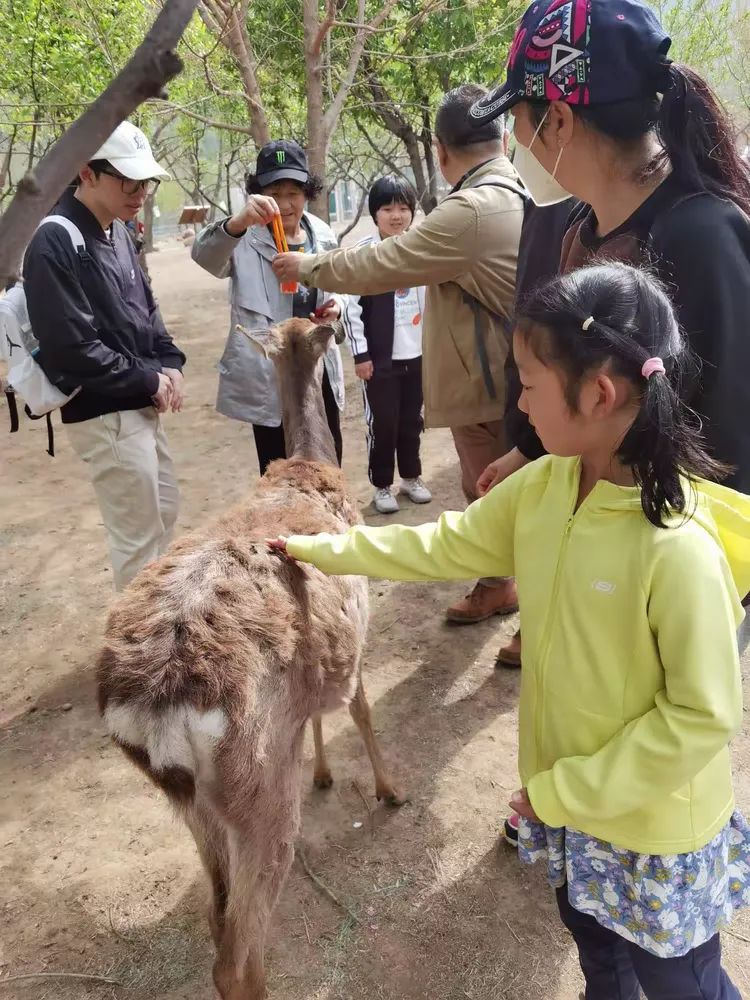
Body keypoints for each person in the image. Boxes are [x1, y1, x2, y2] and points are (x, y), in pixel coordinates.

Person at [272, 262, 750, 1000]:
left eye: (528, 383)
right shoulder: (547, 485)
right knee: (598, 954)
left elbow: (701, 716)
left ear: (599, 394)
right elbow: (443, 545)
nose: (518, 402)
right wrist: (321, 550)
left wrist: (567, 791)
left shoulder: (676, 549)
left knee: (681, 982)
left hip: (652, 831)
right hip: (571, 811)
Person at [471, 0, 750, 674]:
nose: (515, 140)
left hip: (670, 580)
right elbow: (585, 377)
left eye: (518, 119)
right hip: (604, 562)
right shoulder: (583, 227)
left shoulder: (700, 237)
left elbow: (732, 446)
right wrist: (530, 451)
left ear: (560, 121)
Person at [272, 84, 525, 625]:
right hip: (512, 377)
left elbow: (384, 264)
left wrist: (308, 267)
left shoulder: (471, 210)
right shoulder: (519, 191)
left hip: (491, 386)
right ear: (503, 138)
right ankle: (500, 583)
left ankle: (511, 592)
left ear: (440, 150)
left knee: (495, 495)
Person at [22, 121, 185, 592]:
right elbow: (71, 347)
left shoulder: (119, 232)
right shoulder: (55, 239)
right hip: (104, 411)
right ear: (86, 172)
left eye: (146, 182)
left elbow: (146, 310)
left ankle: (154, 621)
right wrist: (149, 380)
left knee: (164, 513)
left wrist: (170, 361)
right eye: (129, 181)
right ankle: (138, 634)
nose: (141, 193)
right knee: (138, 539)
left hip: (140, 399)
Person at [191, 139, 346, 475]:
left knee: (328, 464)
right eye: (274, 193)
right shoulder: (243, 238)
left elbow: (340, 290)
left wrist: (337, 311)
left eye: (294, 193)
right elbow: (203, 256)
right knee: (277, 472)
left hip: (318, 372)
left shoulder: (321, 234)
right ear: (258, 195)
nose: (285, 204)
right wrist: (236, 224)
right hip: (271, 379)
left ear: (307, 192)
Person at [342, 176, 431, 514]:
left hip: (417, 354)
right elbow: (350, 308)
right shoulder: (363, 254)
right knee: (383, 423)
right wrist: (361, 354)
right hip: (380, 359)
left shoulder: (420, 249)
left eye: (404, 208)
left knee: (412, 420)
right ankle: (382, 485)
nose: (396, 216)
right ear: (374, 213)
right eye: (388, 208)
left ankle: (411, 477)